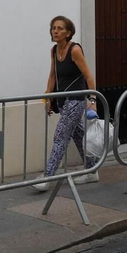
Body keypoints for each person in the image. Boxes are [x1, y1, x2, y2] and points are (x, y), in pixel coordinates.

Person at [35, 15, 99, 190]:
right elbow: (52, 75)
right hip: (63, 101)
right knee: (78, 135)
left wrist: (92, 100)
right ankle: (92, 170)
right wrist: (48, 98)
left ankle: (47, 177)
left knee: (60, 137)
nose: (55, 31)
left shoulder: (75, 50)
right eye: (53, 28)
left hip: (76, 101)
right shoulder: (54, 50)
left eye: (60, 28)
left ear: (68, 32)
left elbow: (88, 76)